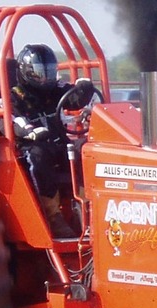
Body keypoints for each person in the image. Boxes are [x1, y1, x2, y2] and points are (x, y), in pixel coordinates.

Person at [8, 43, 94, 237]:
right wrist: (30, 131)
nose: (45, 77)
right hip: (31, 146)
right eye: (40, 72)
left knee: (85, 149)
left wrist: (84, 88)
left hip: (58, 143)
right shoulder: (14, 95)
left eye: (49, 71)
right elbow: (13, 119)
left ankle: (87, 208)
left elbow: (75, 97)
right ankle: (53, 215)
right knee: (39, 156)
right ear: (26, 71)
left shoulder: (55, 89)